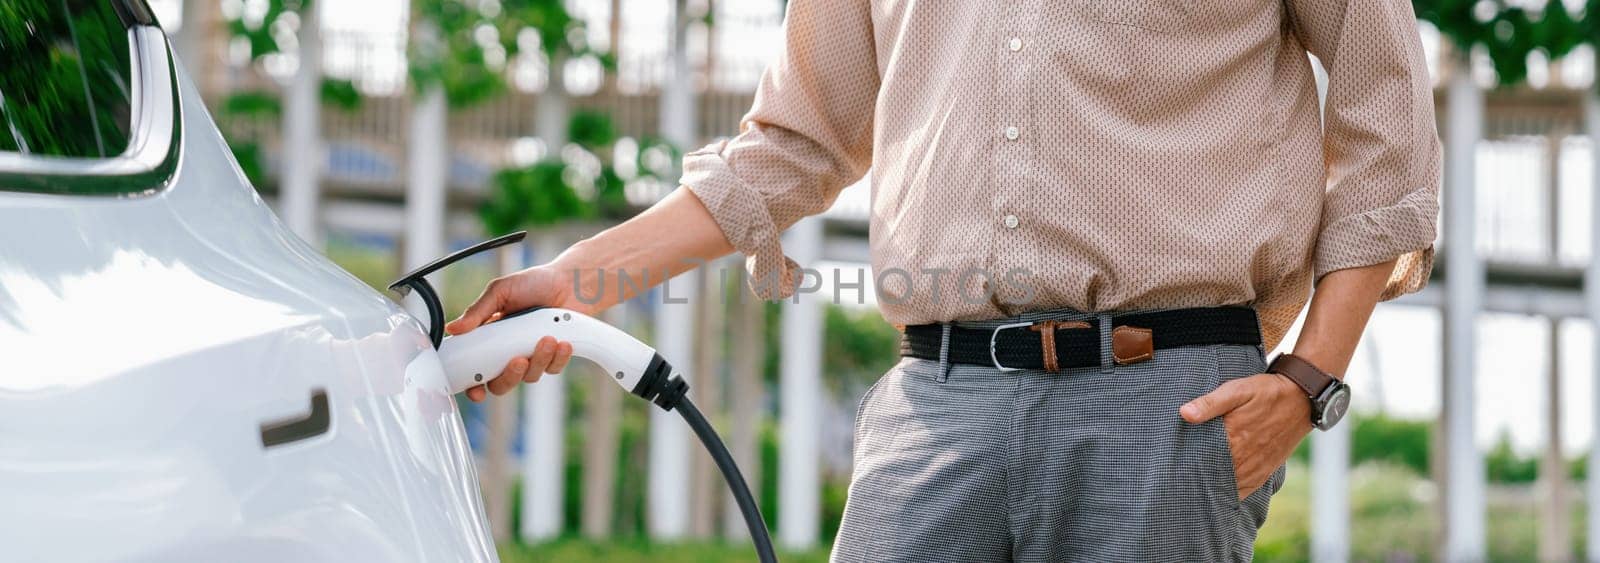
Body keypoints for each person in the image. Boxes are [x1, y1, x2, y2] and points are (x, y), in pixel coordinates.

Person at [446, 1, 1440, 560]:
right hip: (936, 404)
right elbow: (792, 144)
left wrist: (1307, 379)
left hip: (1166, 408)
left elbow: (1386, 132)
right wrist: (582, 280)